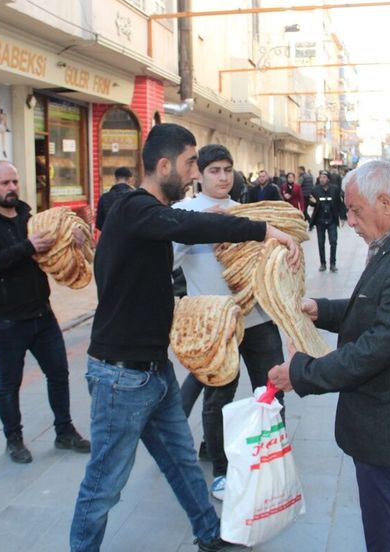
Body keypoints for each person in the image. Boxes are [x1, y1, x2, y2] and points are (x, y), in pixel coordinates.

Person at [69, 123, 299, 552]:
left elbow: (179, 222)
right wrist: (264, 230)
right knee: (104, 486)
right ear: (163, 165)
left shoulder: (141, 212)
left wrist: (206, 218)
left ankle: (210, 537)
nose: (196, 173)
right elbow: (183, 226)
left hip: (153, 373)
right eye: (191, 163)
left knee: (182, 464)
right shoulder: (136, 209)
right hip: (120, 378)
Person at [268, 159, 390, 552]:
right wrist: (321, 309)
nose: (350, 221)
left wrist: (302, 372)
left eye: (355, 210)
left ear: (387, 204)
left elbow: (378, 347)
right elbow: (379, 308)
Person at [172, 144, 286, 501]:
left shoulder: (249, 213)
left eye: (227, 170)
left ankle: (269, 461)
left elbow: (273, 262)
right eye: (214, 171)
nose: (223, 177)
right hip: (215, 325)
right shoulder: (185, 213)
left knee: (271, 392)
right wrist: (208, 227)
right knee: (217, 398)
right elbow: (167, 259)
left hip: (258, 320)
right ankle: (221, 471)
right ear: (199, 175)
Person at [0, 160, 91, 464]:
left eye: (14, 182)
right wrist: (27, 246)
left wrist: (73, 240)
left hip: (42, 313)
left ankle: (64, 430)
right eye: (4, 183)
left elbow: (50, 249)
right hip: (7, 318)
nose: (11, 188)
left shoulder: (27, 215)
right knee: (10, 384)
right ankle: (14, 439)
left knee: (59, 373)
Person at [309, 171, 346, 272]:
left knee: (333, 242)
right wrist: (312, 202)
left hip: (332, 220)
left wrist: (343, 217)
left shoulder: (335, 189)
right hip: (320, 220)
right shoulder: (315, 190)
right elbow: (311, 203)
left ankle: (332, 263)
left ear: (328, 179)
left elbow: (340, 204)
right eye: (320, 177)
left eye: (324, 177)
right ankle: (323, 264)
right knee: (321, 243)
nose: (322, 179)